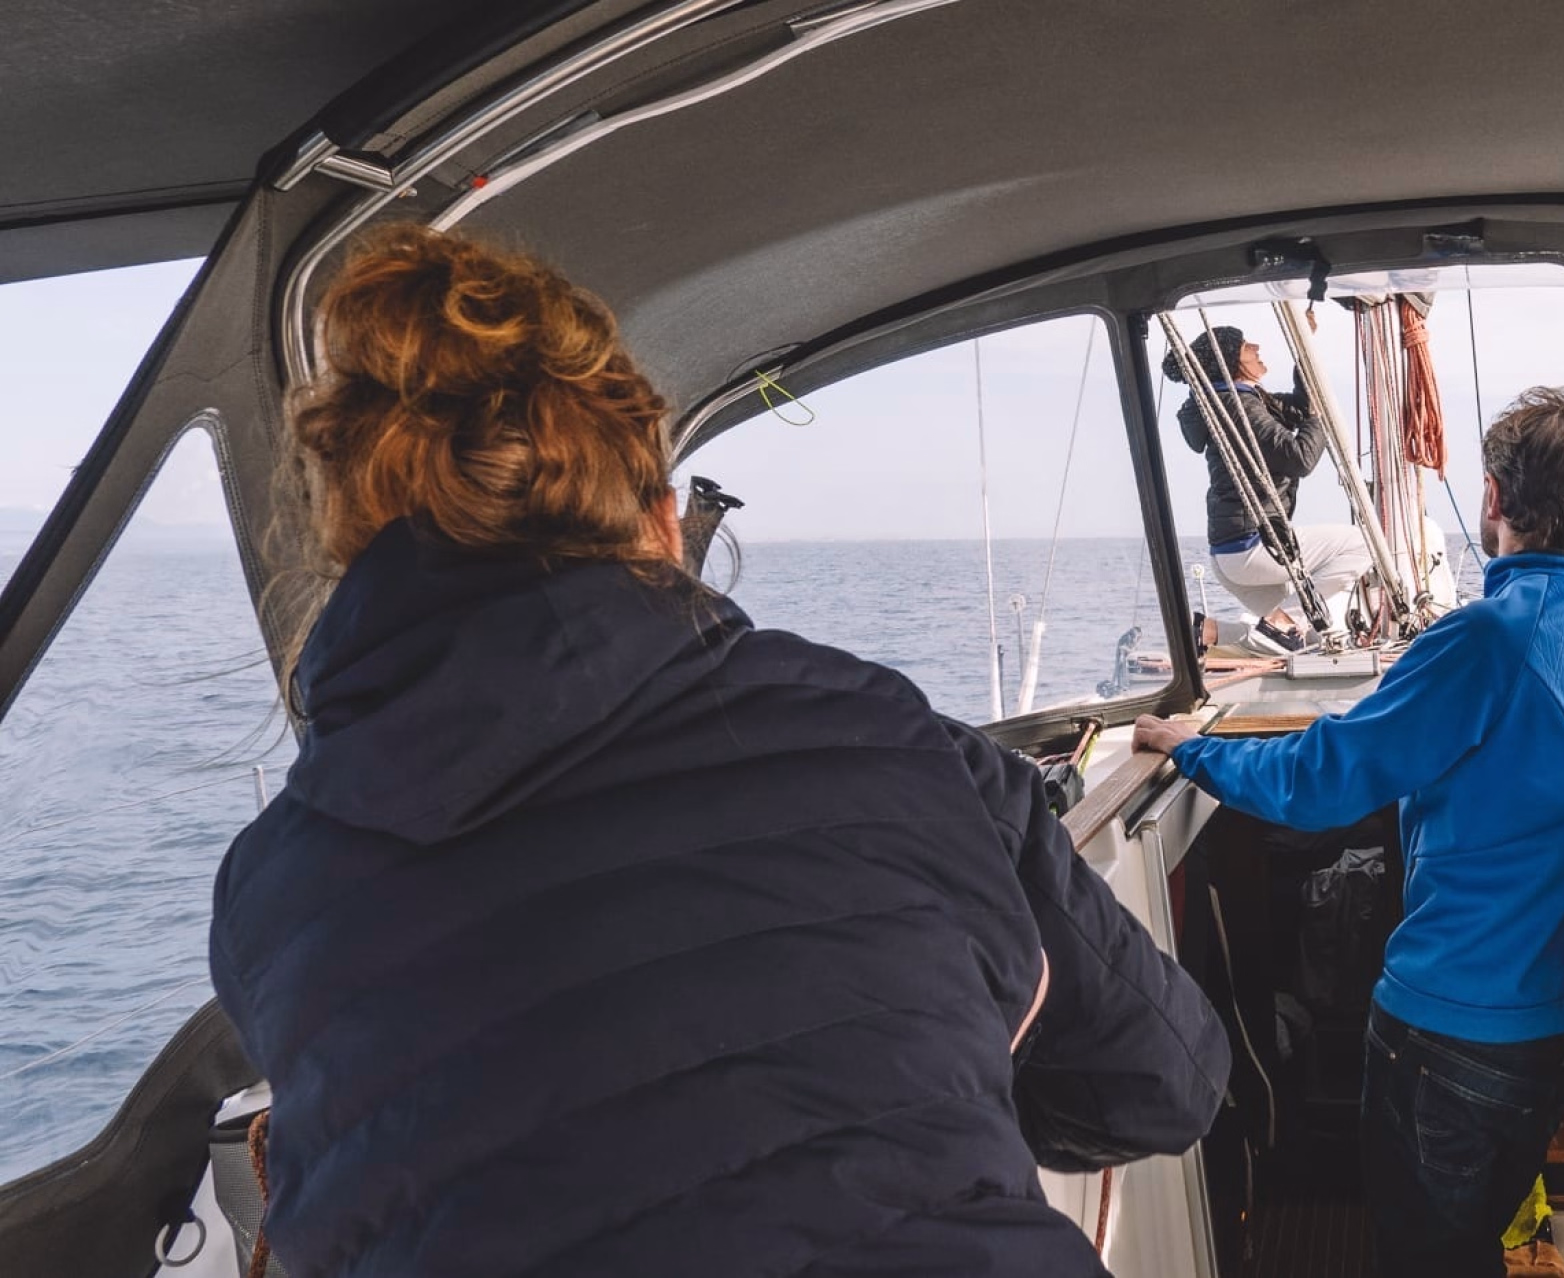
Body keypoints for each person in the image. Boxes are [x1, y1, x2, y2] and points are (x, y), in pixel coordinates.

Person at [209, 226, 1228, 1278]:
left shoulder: (270, 895)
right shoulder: (878, 733)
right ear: (660, 522)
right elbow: (1164, 1081)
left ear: (345, 554)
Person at [1134, 386, 1564, 1278]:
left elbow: (1318, 783)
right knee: (1482, 1230)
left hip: (1448, 1032)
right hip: (1563, 1030)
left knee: (1423, 1254)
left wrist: (1195, 752)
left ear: (1494, 500)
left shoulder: (1478, 643)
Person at [1165, 325, 1371, 650]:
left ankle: (1208, 632)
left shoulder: (1240, 400)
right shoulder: (1239, 407)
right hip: (1252, 548)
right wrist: (1317, 418)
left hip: (1231, 554)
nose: (1257, 346)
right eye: (1247, 345)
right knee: (1363, 543)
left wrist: (1306, 347)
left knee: (1314, 636)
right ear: (1230, 361)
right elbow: (1300, 457)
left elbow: (1299, 407)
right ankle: (1279, 625)